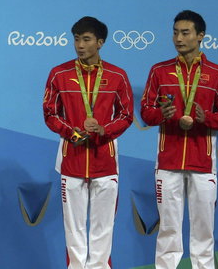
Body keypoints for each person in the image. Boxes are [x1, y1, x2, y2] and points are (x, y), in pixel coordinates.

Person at [140, 10, 218, 269]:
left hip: (203, 164)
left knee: (203, 232)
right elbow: (146, 113)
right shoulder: (159, 71)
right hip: (168, 162)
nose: (178, 38)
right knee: (169, 230)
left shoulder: (217, 74)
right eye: (175, 32)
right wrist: (164, 115)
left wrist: (206, 119)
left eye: (185, 33)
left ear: (200, 36)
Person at [42, 16, 134, 269]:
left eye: (86, 39)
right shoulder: (59, 74)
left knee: (103, 227)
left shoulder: (118, 76)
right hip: (71, 159)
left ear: (100, 42)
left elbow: (126, 116)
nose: (79, 45)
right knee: (74, 227)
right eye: (76, 39)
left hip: (105, 160)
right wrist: (72, 133)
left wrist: (104, 130)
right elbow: (50, 113)